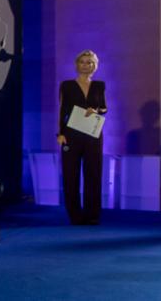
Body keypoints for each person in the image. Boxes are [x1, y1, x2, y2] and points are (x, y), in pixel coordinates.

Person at [57, 49, 107, 225]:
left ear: (95, 66)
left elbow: (104, 108)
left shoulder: (99, 85)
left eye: (89, 62)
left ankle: (92, 215)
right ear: (77, 64)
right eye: (82, 62)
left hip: (93, 134)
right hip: (71, 134)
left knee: (94, 173)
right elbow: (62, 110)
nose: (85, 65)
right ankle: (75, 215)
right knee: (71, 174)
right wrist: (60, 133)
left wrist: (97, 110)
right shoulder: (67, 85)